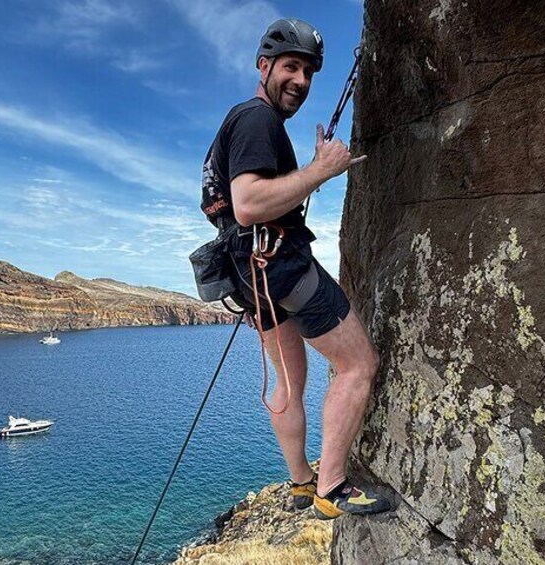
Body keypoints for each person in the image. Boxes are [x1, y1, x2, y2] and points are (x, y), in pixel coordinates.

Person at [200, 18, 391, 520]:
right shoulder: (255, 120)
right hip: (280, 266)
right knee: (357, 365)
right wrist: (321, 171)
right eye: (290, 67)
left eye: (308, 71)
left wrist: (304, 174)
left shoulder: (241, 124)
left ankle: (302, 481)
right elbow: (247, 202)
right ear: (264, 67)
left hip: (250, 275)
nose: (301, 81)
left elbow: (241, 204)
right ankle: (332, 485)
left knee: (290, 384)